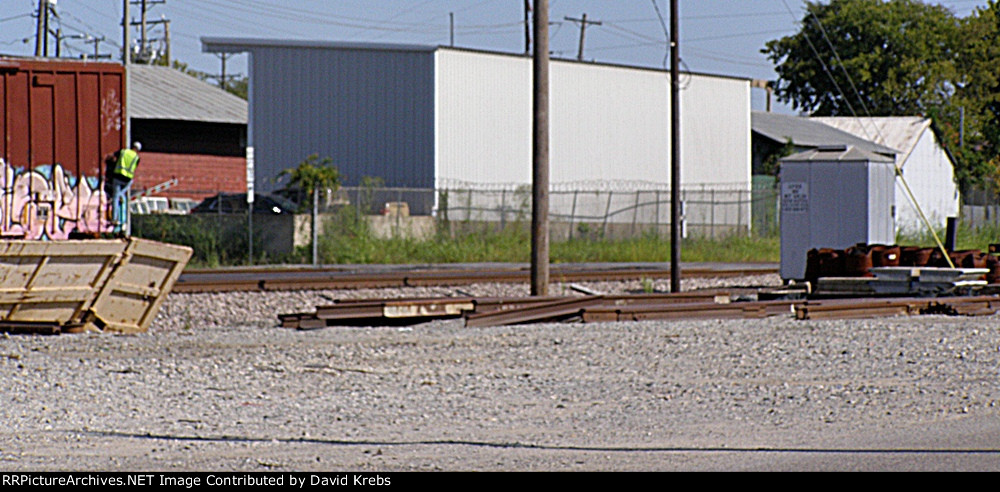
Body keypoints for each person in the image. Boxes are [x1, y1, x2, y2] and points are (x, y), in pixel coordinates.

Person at [108, 141, 141, 234]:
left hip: (118, 176)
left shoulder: (123, 152)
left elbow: (113, 157)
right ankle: (122, 194)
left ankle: (115, 218)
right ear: (138, 150)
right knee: (124, 192)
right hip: (127, 179)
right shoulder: (137, 158)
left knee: (115, 197)